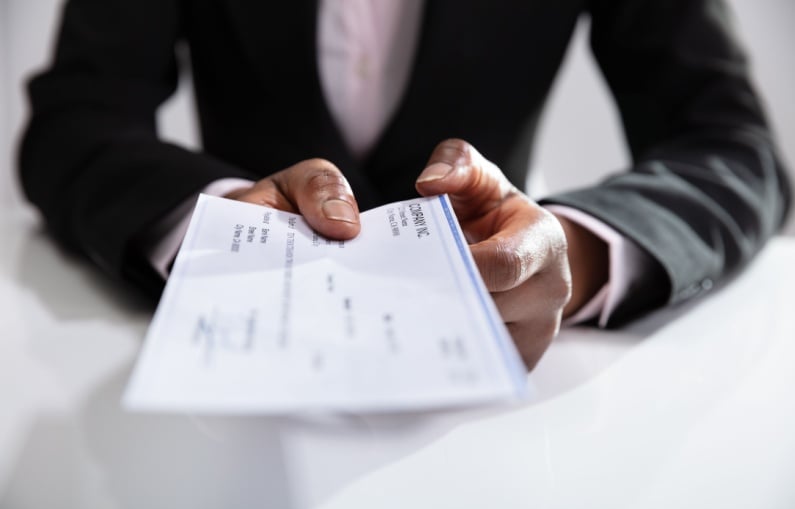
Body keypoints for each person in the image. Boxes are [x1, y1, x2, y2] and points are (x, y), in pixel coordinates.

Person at [18, 1, 791, 369]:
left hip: (516, 405)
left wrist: (571, 252)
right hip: (224, 381)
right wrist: (222, 221)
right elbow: (75, 119)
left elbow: (733, 147)